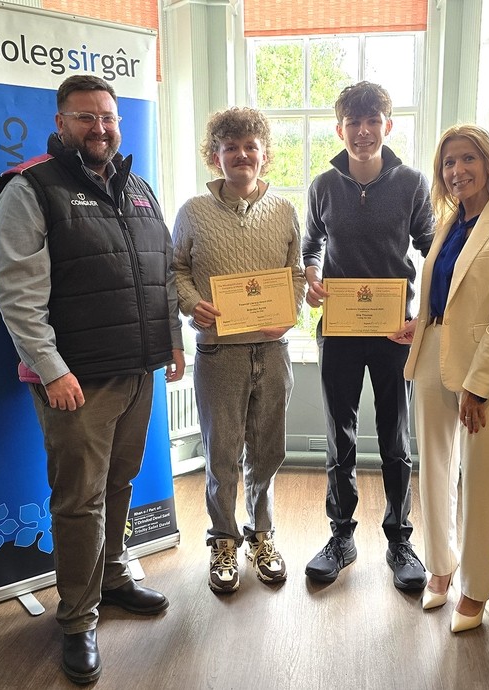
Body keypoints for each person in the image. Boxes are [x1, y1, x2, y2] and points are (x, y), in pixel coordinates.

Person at [0, 74, 185, 684]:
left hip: (137, 368)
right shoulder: (30, 188)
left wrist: (173, 341)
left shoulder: (139, 188)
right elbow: (17, 293)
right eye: (85, 117)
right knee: (80, 500)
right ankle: (76, 620)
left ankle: (113, 574)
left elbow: (163, 274)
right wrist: (52, 370)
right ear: (60, 123)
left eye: (108, 117)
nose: (100, 128)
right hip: (76, 380)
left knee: (120, 482)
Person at [394, 124, 489, 632]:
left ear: (488, 161)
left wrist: (478, 386)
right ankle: (440, 567)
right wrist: (419, 326)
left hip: (488, 372)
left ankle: (476, 590)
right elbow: (447, 298)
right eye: (448, 163)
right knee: (433, 467)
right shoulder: (450, 221)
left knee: (480, 478)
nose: (457, 171)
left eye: (467, 159)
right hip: (433, 353)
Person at [302, 81, 434, 589]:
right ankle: (341, 535)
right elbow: (310, 246)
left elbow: (431, 248)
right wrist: (311, 278)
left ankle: (401, 540)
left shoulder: (413, 184)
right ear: (340, 129)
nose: (362, 132)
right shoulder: (323, 186)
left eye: (372, 121)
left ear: (388, 126)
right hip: (337, 331)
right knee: (340, 437)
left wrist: (423, 313)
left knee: (395, 439)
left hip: (394, 333)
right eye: (353, 123)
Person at [172, 107, 305, 594]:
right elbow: (177, 271)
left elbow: (295, 272)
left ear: (264, 155)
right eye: (231, 148)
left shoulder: (286, 210)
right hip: (218, 354)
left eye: (251, 147)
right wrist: (192, 305)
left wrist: (289, 312)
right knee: (222, 455)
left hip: (272, 351)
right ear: (216, 157)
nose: (242, 155)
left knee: (268, 451)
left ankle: (262, 535)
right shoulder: (192, 211)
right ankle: (223, 539)